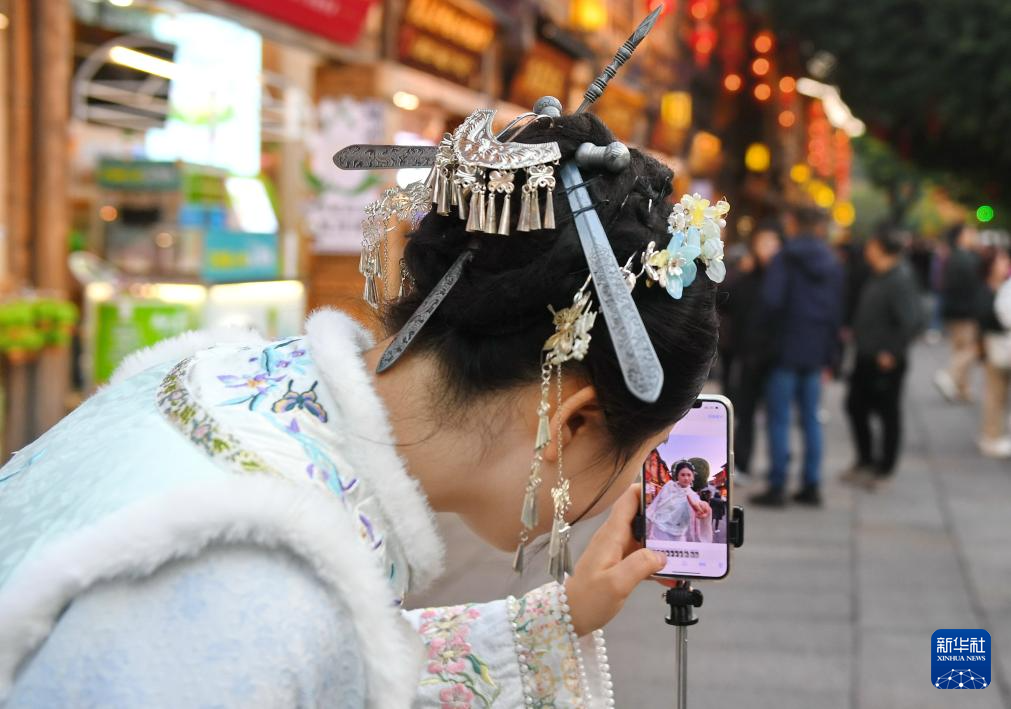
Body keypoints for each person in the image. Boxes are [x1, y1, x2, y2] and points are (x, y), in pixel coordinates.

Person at [0, 111, 725, 708]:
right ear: (572, 422)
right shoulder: (251, 578)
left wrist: (559, 617)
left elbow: (334, 658)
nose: (609, 500)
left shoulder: (230, 382)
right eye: (635, 459)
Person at [751, 206, 844, 507]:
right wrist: (831, 353)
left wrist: (763, 339)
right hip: (816, 350)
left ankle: (777, 484)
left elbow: (771, 301)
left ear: (793, 223)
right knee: (811, 419)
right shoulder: (831, 261)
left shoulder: (785, 258)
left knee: (779, 419)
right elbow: (837, 312)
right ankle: (811, 484)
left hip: (785, 349)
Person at [841, 229, 924, 489]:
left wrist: (892, 351)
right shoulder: (878, 275)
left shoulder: (900, 278)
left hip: (885, 359)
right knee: (856, 406)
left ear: (880, 248)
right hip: (866, 354)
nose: (867, 251)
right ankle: (865, 460)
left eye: (871, 246)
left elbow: (912, 321)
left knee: (888, 414)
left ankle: (884, 467)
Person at [722, 220, 782, 482]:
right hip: (749, 355)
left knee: (777, 416)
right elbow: (726, 299)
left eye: (771, 243)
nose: (766, 248)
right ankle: (743, 463)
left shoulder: (786, 278)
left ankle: (779, 468)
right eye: (762, 243)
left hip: (779, 357)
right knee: (745, 412)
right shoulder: (747, 276)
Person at [934, 224, 982, 402]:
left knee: (958, 349)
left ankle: (962, 390)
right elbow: (974, 287)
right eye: (971, 233)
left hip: (954, 311)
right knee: (972, 348)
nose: (974, 236)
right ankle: (949, 375)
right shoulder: (967, 258)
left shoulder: (954, 256)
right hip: (966, 313)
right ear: (962, 236)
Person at [976, 247, 1011, 458]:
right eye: (1001, 260)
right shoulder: (986, 290)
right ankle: (991, 436)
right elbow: (985, 319)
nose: (1005, 264)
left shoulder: (1004, 287)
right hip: (996, 346)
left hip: (1002, 345)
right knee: (995, 394)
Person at [645, 461, 711, 542]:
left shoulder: (693, 496)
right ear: (677, 476)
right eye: (682, 475)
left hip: (678, 535)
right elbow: (656, 503)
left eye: (689, 475)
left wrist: (704, 507)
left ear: (693, 477)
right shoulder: (669, 486)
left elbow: (700, 506)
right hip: (659, 530)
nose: (686, 478)